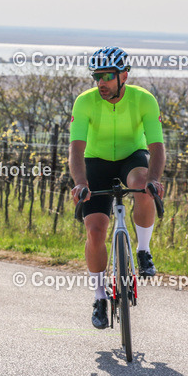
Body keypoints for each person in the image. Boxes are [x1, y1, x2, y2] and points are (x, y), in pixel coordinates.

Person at [69, 46, 166, 330]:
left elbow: (157, 146)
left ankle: (143, 251)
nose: (101, 82)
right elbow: (76, 149)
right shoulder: (84, 102)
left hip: (131, 158)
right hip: (95, 163)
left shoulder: (144, 100)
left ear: (124, 75)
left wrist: (155, 178)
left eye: (108, 76)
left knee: (143, 186)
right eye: (96, 76)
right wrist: (80, 183)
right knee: (96, 230)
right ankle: (100, 297)